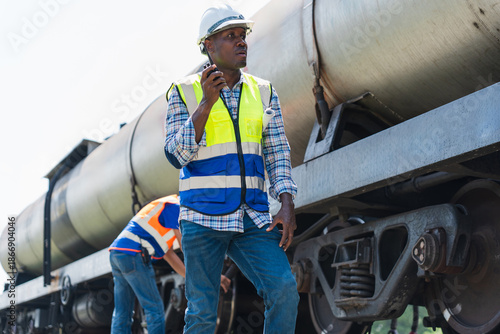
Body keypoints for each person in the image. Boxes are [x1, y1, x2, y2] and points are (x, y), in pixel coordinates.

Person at [164, 4, 299, 333]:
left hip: (251, 217)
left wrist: (286, 202)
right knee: (201, 313)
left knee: (284, 290)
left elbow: (277, 149)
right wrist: (206, 105)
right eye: (230, 36)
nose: (241, 42)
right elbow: (175, 154)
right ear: (209, 46)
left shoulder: (264, 92)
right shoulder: (183, 92)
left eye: (243, 36)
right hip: (201, 218)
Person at [108, 195, 231, 334]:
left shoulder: (165, 210)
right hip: (134, 253)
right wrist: (212, 277)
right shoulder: (175, 206)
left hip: (117, 253)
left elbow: (170, 256)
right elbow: (187, 249)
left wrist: (194, 277)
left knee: (122, 312)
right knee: (154, 308)